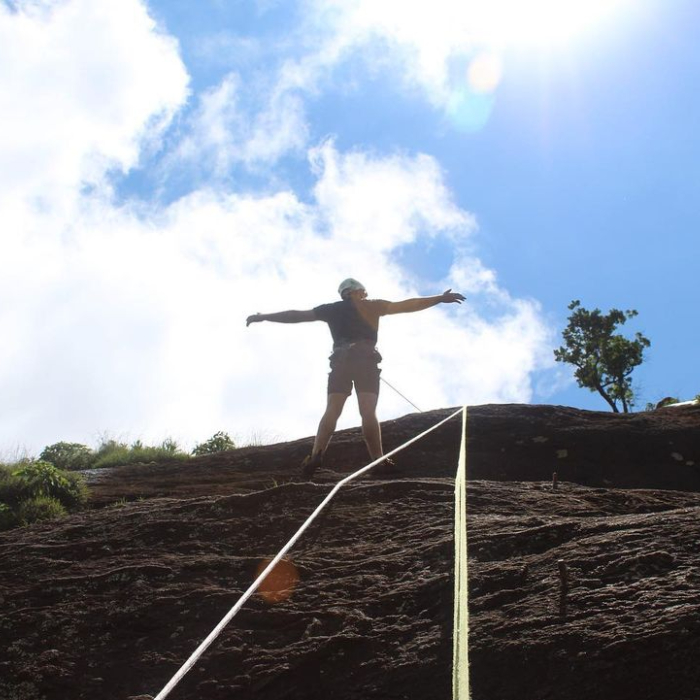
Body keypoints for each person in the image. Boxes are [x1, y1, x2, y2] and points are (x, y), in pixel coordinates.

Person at [246, 278, 465, 478]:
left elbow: (296, 315)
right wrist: (439, 298)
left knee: (332, 409)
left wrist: (263, 317)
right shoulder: (372, 306)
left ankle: (316, 455)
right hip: (365, 360)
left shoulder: (332, 309)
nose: (364, 294)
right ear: (358, 292)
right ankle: (378, 460)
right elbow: (408, 305)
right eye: (363, 291)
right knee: (368, 411)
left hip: (341, 361)